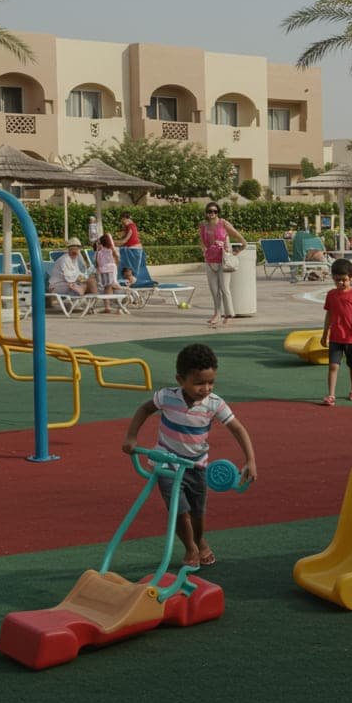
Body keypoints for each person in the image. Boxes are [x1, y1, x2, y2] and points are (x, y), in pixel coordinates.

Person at [120, 344, 257, 569]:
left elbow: (237, 429)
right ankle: (190, 547)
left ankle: (199, 540)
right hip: (167, 462)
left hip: (196, 465)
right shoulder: (167, 396)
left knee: (197, 512)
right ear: (180, 380)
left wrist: (250, 460)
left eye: (211, 382)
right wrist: (131, 437)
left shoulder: (214, 403)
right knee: (179, 510)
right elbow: (145, 409)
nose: (206, 388)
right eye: (199, 383)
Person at [321, 258, 352, 405]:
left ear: (351, 278)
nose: (341, 283)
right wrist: (325, 333)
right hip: (335, 337)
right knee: (333, 366)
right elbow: (329, 315)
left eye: (344, 280)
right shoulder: (331, 295)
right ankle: (331, 395)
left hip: (351, 338)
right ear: (333, 278)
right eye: (337, 280)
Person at [199, 202, 245, 328]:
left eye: (215, 211)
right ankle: (217, 314)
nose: (212, 213)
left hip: (223, 260)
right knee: (214, 290)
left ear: (218, 212)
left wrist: (242, 247)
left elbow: (237, 235)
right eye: (210, 211)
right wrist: (204, 251)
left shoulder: (223, 223)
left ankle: (229, 315)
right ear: (206, 212)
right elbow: (201, 241)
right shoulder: (203, 226)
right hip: (210, 261)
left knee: (224, 288)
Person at [95, 233, 124, 313]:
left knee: (107, 288)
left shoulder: (99, 253)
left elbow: (97, 265)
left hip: (102, 277)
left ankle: (107, 306)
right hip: (111, 275)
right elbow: (117, 261)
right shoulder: (112, 251)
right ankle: (118, 306)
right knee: (111, 287)